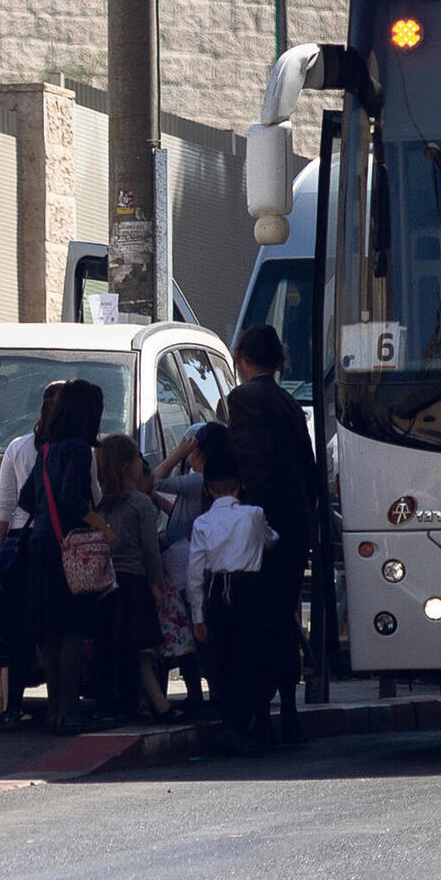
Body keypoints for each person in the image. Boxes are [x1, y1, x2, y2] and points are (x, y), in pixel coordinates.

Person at [226, 324, 316, 747]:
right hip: (296, 526)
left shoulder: (244, 400)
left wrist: (250, 519)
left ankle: (261, 716)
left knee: (257, 623)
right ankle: (291, 712)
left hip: (264, 529)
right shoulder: (288, 402)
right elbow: (308, 467)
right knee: (284, 617)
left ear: (242, 357)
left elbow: (254, 466)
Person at [15, 379, 110, 733]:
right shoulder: (80, 450)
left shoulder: (47, 449)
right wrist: (104, 527)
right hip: (69, 546)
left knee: (48, 631)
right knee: (72, 628)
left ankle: (55, 710)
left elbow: (26, 500)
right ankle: (70, 711)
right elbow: (73, 501)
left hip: (40, 545)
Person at [0, 381, 68, 726]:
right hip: (60, 542)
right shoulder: (77, 449)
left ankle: (13, 707)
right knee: (57, 628)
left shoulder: (18, 447)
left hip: (20, 543)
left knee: (19, 631)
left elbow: (4, 505)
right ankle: (60, 706)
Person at [187, 435, 277, 756]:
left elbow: (194, 574)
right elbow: (272, 539)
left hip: (215, 593)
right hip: (249, 591)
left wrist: (197, 616)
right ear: (239, 486)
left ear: (208, 489)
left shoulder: (202, 522)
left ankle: (229, 721)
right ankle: (244, 722)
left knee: (222, 656)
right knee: (250, 654)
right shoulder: (253, 514)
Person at [95, 435, 181, 724]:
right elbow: (150, 550)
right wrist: (155, 584)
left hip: (101, 583)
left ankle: (109, 704)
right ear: (126, 466)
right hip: (133, 582)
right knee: (137, 648)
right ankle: (137, 705)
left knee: (108, 648)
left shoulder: (96, 502)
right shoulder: (140, 504)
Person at [153, 424, 211, 721]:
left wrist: (176, 455)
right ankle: (197, 696)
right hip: (188, 562)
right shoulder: (201, 482)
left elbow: (156, 479)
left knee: (185, 636)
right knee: (190, 636)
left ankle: (195, 698)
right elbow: (178, 511)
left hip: (182, 567)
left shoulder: (197, 479)